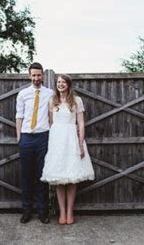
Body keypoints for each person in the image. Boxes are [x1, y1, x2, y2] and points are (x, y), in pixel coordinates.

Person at [41, 74, 95, 225]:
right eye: (58, 82)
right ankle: (62, 212)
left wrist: (80, 142)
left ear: (69, 85)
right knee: (59, 179)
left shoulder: (77, 101)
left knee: (72, 177)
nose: (61, 84)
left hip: (72, 139)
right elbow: (51, 123)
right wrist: (52, 144)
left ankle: (70, 212)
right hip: (57, 140)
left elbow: (81, 124)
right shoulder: (52, 100)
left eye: (63, 82)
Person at [15, 62, 54, 224]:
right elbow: (19, 116)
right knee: (26, 175)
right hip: (26, 137)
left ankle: (43, 212)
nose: (36, 78)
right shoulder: (23, 94)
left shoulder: (50, 93)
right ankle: (26, 210)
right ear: (29, 76)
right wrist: (19, 137)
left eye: (39, 75)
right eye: (34, 75)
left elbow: (52, 116)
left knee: (42, 176)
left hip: (43, 137)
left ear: (43, 75)